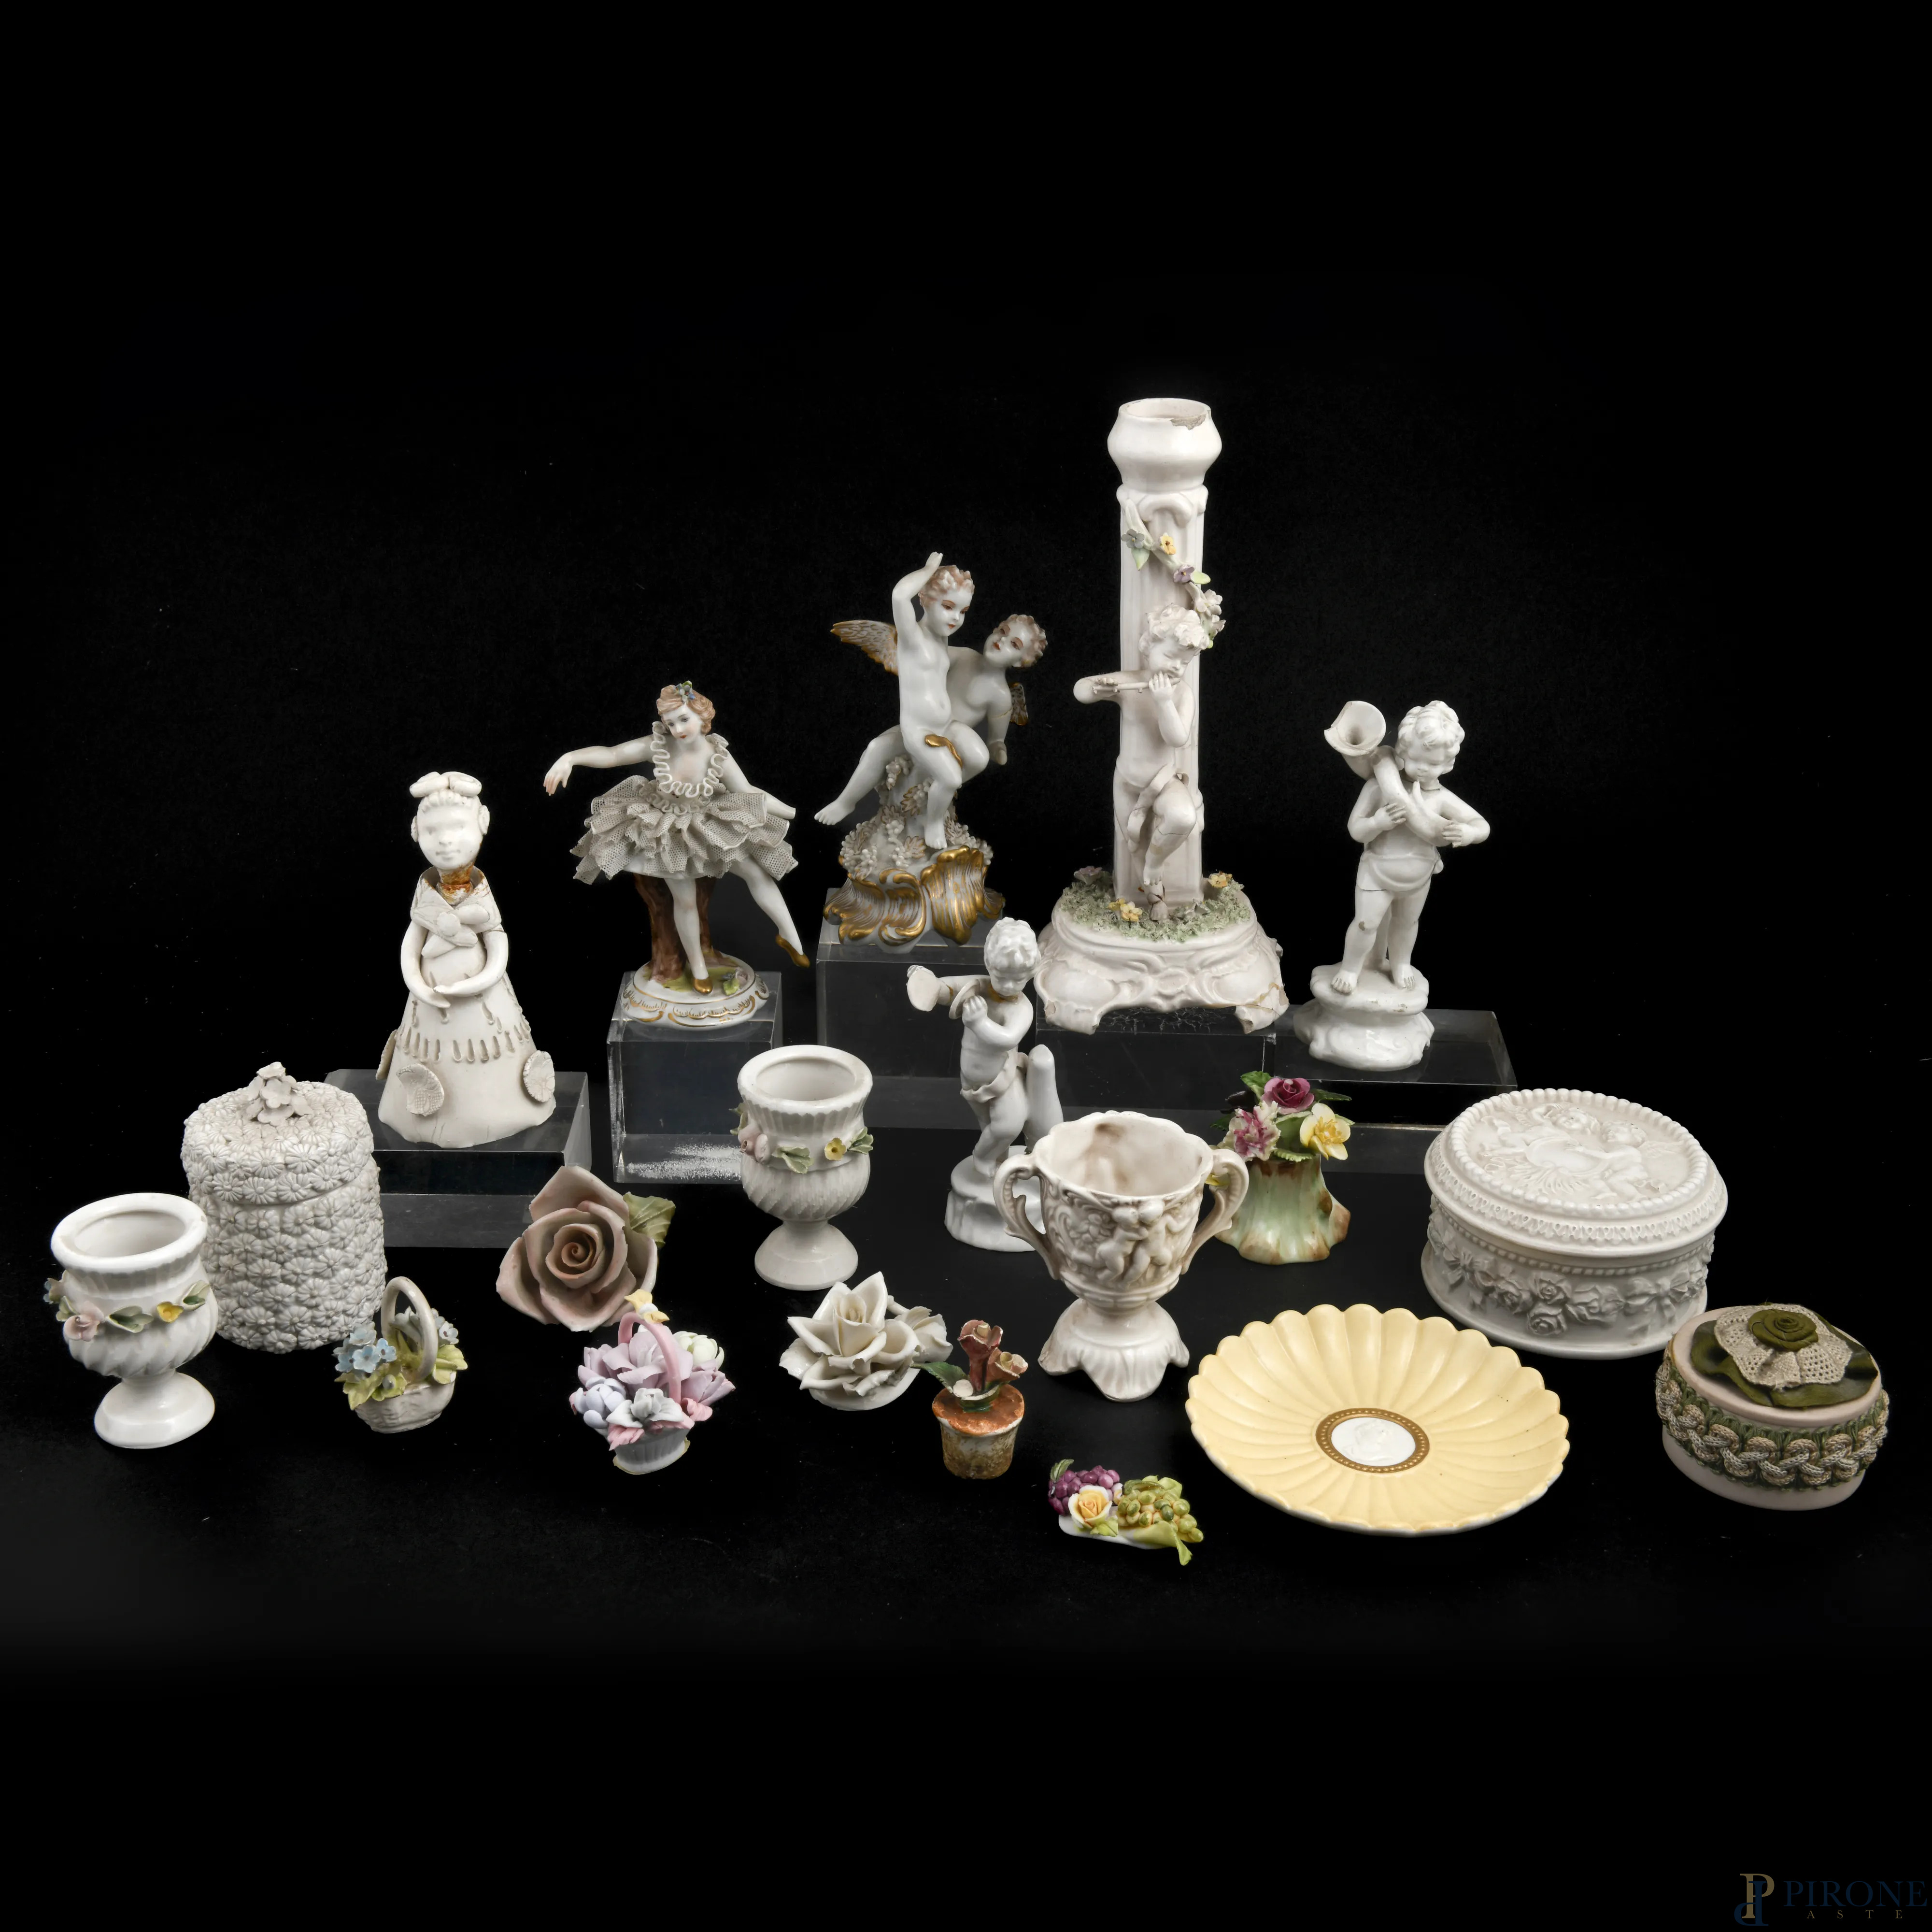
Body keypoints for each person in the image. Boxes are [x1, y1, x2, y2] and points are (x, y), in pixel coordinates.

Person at [545, 682, 808, 992]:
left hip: (706, 821)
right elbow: (613, 754)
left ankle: (790, 937)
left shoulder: (717, 755)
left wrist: (789, 811)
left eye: (684, 720)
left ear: (702, 717)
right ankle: (698, 969)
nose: (678, 729)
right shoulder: (658, 745)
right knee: (685, 899)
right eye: (671, 723)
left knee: (756, 872)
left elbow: (747, 791)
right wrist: (570, 758)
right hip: (664, 827)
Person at [378, 771, 555, 1147]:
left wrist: (480, 980)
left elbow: (497, 944)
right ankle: (429, 1114)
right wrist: (416, 983)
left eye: (458, 828)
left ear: (482, 823)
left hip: (482, 1002)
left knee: (491, 1059)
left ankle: (495, 1112)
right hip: (431, 1005)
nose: (445, 840)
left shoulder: (481, 895)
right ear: (416, 832)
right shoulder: (426, 897)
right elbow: (411, 946)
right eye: (433, 831)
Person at [1330, 701, 1490, 996]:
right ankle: (1351, 968)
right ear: (1401, 752)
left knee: (1406, 924)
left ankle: (1401, 963)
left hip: (1419, 876)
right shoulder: (1379, 787)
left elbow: (1482, 825)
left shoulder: (1441, 798)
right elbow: (1356, 829)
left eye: (1433, 764)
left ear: (1448, 764)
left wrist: (1469, 833)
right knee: (1365, 924)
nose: (1423, 769)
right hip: (1378, 871)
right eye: (1415, 759)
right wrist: (1378, 822)